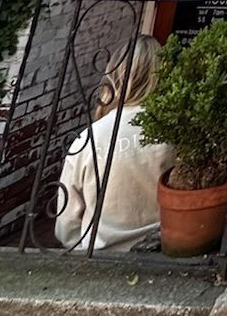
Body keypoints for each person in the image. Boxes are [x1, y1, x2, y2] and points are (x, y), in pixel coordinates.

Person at [54, 35, 175, 252]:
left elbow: (66, 224)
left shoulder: (89, 138)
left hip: (99, 254)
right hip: (161, 249)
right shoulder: (174, 134)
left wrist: (80, 245)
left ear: (114, 75)